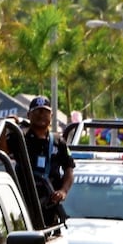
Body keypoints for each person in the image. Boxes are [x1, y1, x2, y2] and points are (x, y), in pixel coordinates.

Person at [14, 96, 75, 226]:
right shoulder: (20, 138)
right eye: (37, 112)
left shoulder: (59, 142)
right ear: (29, 115)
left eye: (45, 112)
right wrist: (8, 125)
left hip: (49, 203)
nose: (41, 115)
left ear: (51, 115)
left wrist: (63, 191)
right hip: (24, 201)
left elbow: (69, 169)